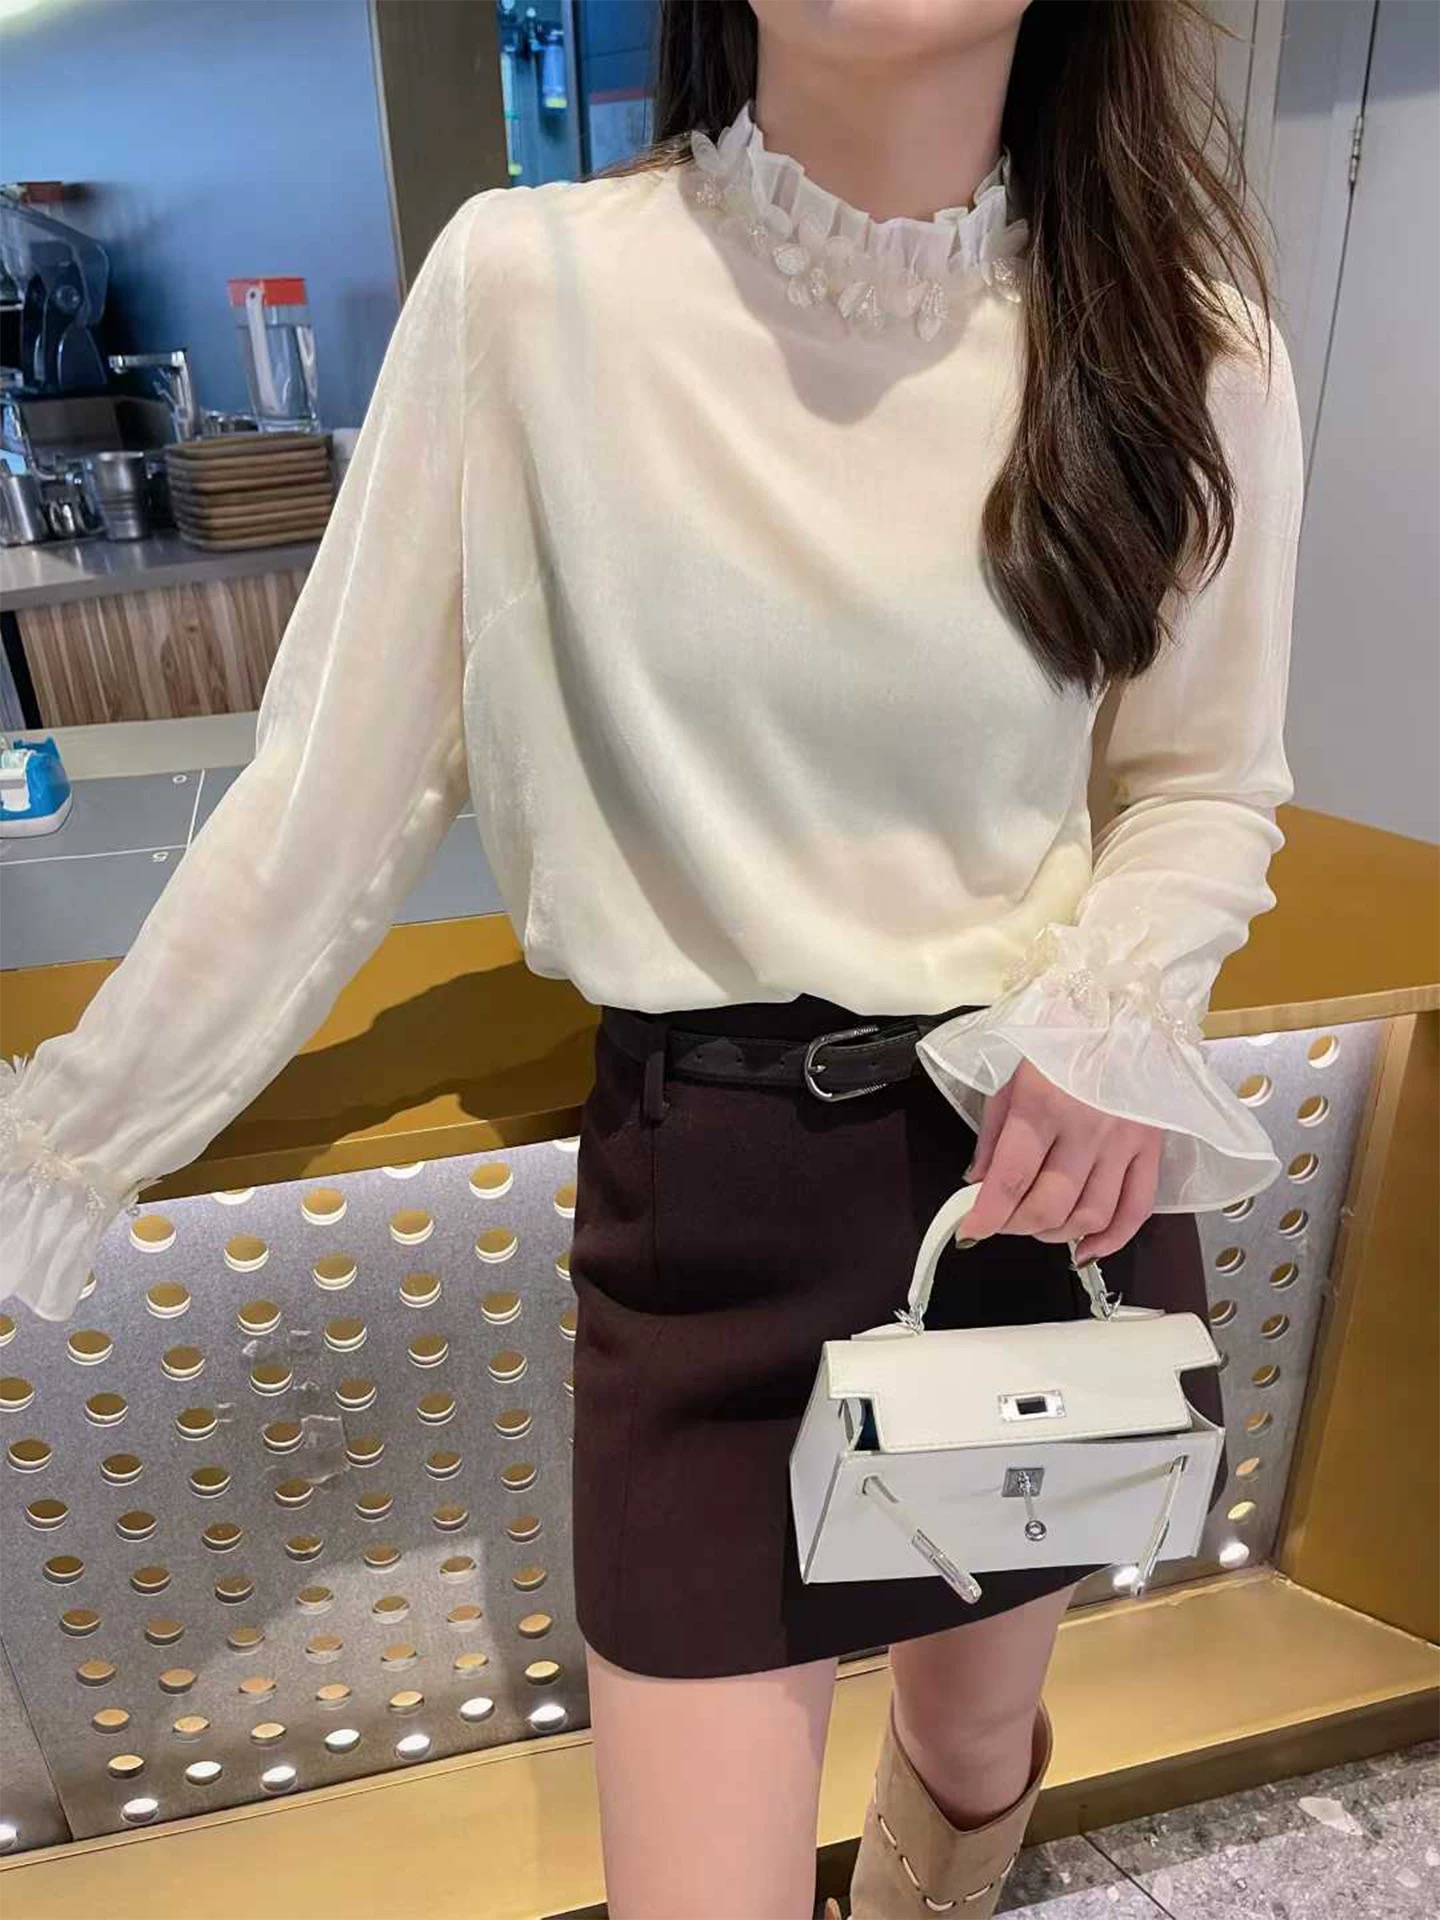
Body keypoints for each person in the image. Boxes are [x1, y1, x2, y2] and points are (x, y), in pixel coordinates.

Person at [0, 1, 1304, 1915]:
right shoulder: (533, 291)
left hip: (1034, 1186)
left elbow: (1201, 781)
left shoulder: (1185, 334)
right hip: (711, 1202)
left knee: (968, 1753)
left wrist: (1114, 1019)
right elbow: (330, 794)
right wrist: (65, 1145)